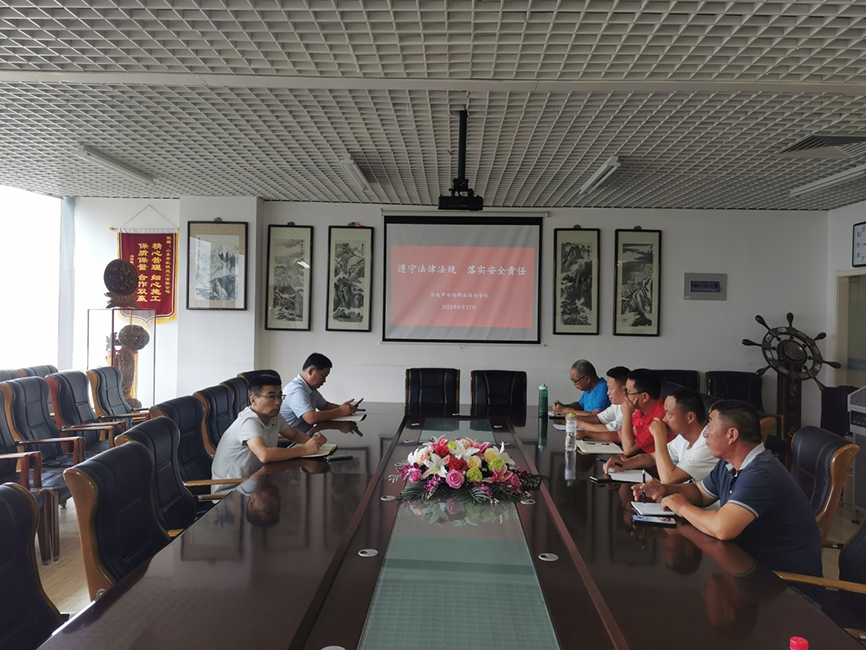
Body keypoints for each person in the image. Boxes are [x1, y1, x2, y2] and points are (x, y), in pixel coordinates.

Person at [634, 400, 822, 576]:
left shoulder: (760, 474)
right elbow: (700, 492)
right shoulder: (729, 464)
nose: (705, 434)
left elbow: (722, 528)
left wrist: (682, 507)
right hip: (747, 566)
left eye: (710, 426)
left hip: (783, 584)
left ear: (731, 435)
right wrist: (665, 489)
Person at [211, 373, 326, 491]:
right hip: (231, 490)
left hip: (256, 479)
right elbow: (264, 455)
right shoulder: (248, 422)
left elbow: (294, 435)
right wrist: (305, 449)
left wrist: (313, 441)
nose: (278, 402)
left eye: (279, 396)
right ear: (253, 400)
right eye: (271, 397)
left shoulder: (274, 416)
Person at [604, 386, 716, 483]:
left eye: (669, 415)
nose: (664, 419)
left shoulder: (707, 444)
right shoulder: (683, 437)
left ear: (690, 417)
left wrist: (659, 436)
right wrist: (624, 464)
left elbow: (669, 479)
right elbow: (652, 457)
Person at [280, 352, 357, 433]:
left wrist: (344, 408)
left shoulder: (310, 388)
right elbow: (311, 418)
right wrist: (340, 411)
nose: (324, 380)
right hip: (290, 438)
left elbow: (325, 406)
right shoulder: (296, 390)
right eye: (323, 376)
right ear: (311, 371)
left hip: (304, 434)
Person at [619, 368, 674, 455]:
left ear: (644, 397)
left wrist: (627, 414)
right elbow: (621, 435)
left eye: (628, 392)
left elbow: (629, 450)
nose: (625, 396)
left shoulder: (659, 418)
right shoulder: (642, 411)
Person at [571, 366, 629, 443]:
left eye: (611, 389)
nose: (608, 393)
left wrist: (581, 424)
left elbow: (610, 430)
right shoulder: (616, 405)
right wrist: (576, 418)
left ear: (624, 389)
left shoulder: (631, 408)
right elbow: (598, 418)